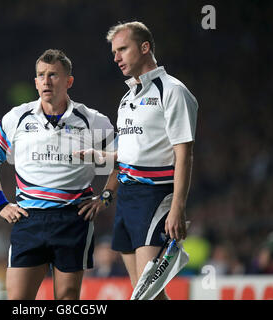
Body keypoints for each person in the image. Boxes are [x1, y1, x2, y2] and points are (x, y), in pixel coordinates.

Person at [0, 49, 114, 300]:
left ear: (68, 81)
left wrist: (105, 197)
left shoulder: (93, 121)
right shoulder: (17, 118)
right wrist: (0, 203)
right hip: (29, 219)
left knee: (67, 299)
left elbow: (120, 162)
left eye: (53, 75)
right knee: (18, 300)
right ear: (36, 82)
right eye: (41, 75)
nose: (46, 81)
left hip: (73, 218)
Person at [77, 21, 198, 300]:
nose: (116, 57)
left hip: (155, 197)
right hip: (128, 199)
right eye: (114, 52)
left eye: (122, 49)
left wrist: (178, 207)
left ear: (145, 48)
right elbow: (131, 153)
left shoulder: (173, 91)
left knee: (147, 294)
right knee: (144, 295)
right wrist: (101, 160)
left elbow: (184, 153)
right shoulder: (127, 97)